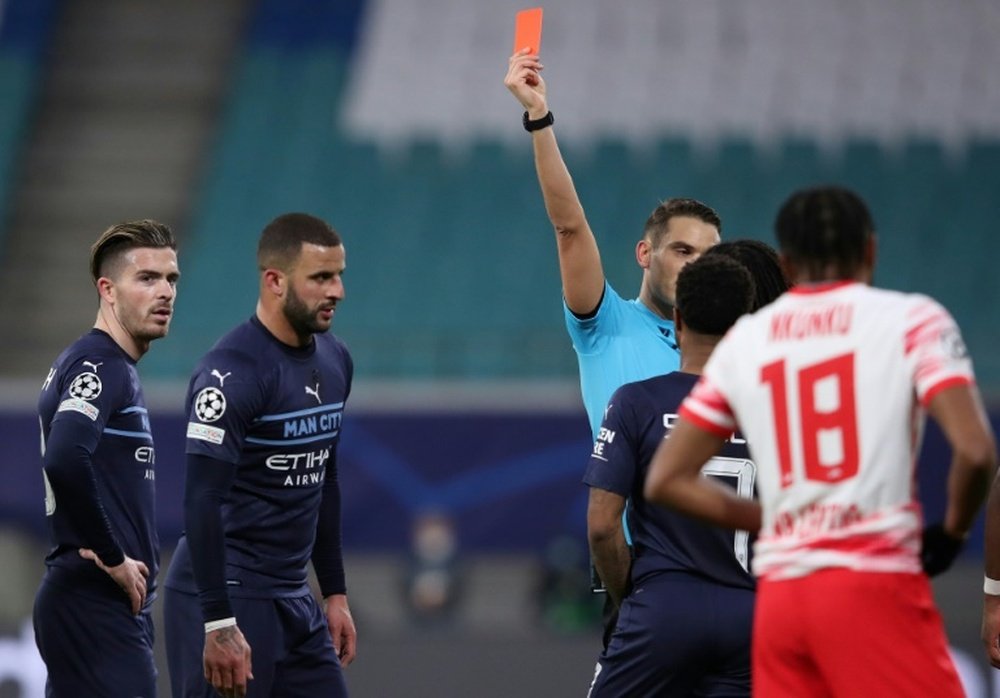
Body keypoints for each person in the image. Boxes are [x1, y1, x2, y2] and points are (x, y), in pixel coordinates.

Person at [645, 186, 998, 696]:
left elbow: (667, 479)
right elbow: (976, 450)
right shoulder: (913, 320)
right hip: (872, 582)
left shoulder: (749, 340)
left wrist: (778, 519)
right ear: (871, 251)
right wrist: (953, 534)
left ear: (788, 261)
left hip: (783, 601)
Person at [505, 47, 721, 629]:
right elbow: (569, 227)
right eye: (682, 250)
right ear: (645, 254)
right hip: (644, 577)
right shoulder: (606, 326)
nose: (696, 265)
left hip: (729, 581)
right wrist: (539, 120)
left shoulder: (733, 353)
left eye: (709, 256)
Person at [163, 213, 357, 698]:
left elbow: (323, 482)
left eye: (338, 276)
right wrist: (218, 620)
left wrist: (334, 592)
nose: (337, 291)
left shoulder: (337, 360)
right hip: (227, 594)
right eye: (320, 278)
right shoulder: (231, 373)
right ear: (274, 281)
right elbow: (200, 502)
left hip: (293, 596)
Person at [586, 247, 789, 697]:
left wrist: (632, 598)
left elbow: (602, 526)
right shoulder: (778, 411)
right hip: (753, 616)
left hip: (664, 608)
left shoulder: (635, 401)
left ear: (677, 321)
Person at [35, 220, 180, 697]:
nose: (164, 292)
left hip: (94, 605)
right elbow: (63, 458)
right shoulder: (101, 365)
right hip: (93, 601)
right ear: (108, 289)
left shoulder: (101, 364)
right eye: (147, 278)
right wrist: (115, 557)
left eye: (171, 279)